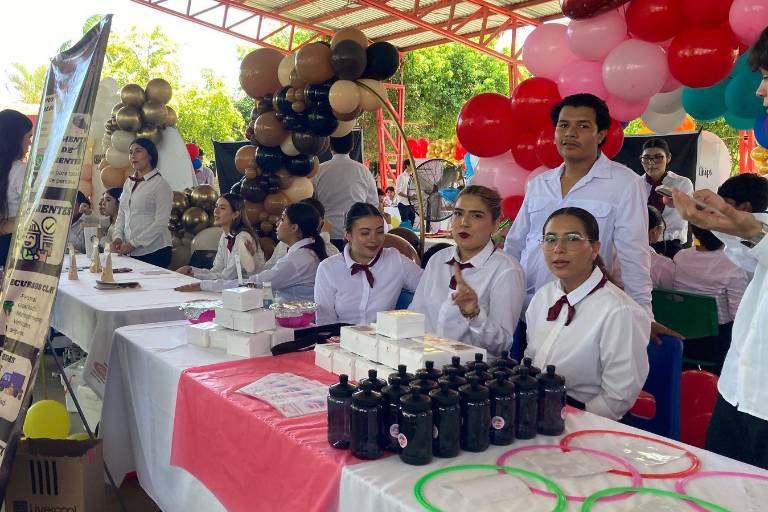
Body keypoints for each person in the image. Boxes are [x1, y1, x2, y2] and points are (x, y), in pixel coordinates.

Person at [667, 26, 768, 470]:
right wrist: (728, 225)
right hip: (740, 386)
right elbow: (754, 260)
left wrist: (751, 231)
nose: (760, 91)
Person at [504, 93, 673, 343]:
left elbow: (634, 256)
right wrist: (503, 296)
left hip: (581, 312)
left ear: (601, 134)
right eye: (563, 125)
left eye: (583, 126)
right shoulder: (540, 184)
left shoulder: (624, 183)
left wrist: (643, 315)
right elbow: (515, 244)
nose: (570, 133)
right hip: (525, 308)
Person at [525, 207, 650, 420]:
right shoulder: (543, 297)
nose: (558, 249)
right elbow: (530, 360)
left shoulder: (620, 311)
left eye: (572, 239)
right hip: (535, 413)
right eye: (550, 239)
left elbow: (617, 399)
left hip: (586, 422)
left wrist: (563, 418)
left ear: (594, 248)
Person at [409, 185, 525, 355]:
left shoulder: (506, 270)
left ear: (495, 225)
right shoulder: (438, 260)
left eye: (476, 216)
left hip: (472, 368)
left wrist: (474, 315)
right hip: (423, 360)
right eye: (458, 213)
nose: (464, 222)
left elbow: (501, 345)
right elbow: (416, 313)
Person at [179, 202, 327, 301]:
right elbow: (264, 274)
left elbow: (257, 282)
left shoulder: (299, 258)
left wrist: (203, 284)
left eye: (282, 219)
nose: (277, 222)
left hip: (294, 318)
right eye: (216, 206)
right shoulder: (300, 251)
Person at [314, 202, 422, 325]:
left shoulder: (395, 260)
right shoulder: (328, 269)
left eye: (380, 232)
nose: (374, 239)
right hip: (339, 336)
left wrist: (410, 316)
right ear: (348, 235)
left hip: (384, 336)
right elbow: (325, 321)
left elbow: (429, 286)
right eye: (365, 233)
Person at [671, 225, 748, 373]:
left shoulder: (680, 257)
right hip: (716, 344)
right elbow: (738, 315)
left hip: (683, 337)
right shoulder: (733, 264)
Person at [112, 137, 173, 267]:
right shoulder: (129, 182)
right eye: (130, 152)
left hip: (155, 251)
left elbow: (161, 222)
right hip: (131, 251)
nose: (133, 155)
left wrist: (133, 244)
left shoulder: (160, 185)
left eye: (138, 151)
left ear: (150, 155)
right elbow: (122, 213)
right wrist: (117, 237)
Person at [312, 133, 378, 251]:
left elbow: (313, 203)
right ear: (352, 146)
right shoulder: (363, 171)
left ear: (330, 146)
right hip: (355, 234)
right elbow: (373, 205)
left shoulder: (319, 171)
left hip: (326, 233)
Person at [176, 193, 264, 281]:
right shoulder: (225, 235)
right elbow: (216, 270)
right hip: (231, 285)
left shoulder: (243, 237)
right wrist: (190, 269)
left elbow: (227, 277)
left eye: (222, 208)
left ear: (235, 214)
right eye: (216, 206)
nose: (216, 211)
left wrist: (194, 275)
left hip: (249, 287)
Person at [641, 138, 694, 258]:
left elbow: (685, 215)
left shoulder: (682, 184)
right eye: (646, 158)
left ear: (668, 158)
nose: (651, 163)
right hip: (640, 244)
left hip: (670, 244)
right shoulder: (635, 184)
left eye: (658, 157)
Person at [263, 197, 338, 270]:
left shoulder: (328, 249)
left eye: (283, 219)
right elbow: (268, 268)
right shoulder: (283, 243)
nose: (277, 223)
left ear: (320, 221)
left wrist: (325, 238)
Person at [0, 109, 33, 265]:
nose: (30, 143)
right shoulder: (20, 170)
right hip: (12, 244)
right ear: (16, 138)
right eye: (28, 137)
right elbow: (34, 210)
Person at [648, 206, 675, 289]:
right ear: (654, 231)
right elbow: (672, 294)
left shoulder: (615, 254)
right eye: (662, 227)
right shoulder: (663, 265)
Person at [395, 160, 416, 225]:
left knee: (412, 222)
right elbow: (398, 191)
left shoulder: (413, 177)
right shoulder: (401, 177)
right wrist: (409, 197)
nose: (414, 166)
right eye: (413, 164)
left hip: (412, 204)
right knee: (405, 224)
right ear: (407, 165)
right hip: (403, 204)